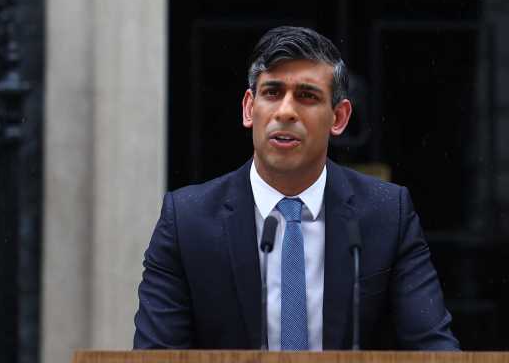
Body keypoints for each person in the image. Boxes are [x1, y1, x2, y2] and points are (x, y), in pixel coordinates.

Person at [133, 26, 459, 351]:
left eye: (307, 96)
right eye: (272, 93)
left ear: (339, 117)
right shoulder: (187, 220)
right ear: (249, 108)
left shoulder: (387, 214)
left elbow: (434, 349)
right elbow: (156, 353)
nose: (286, 111)